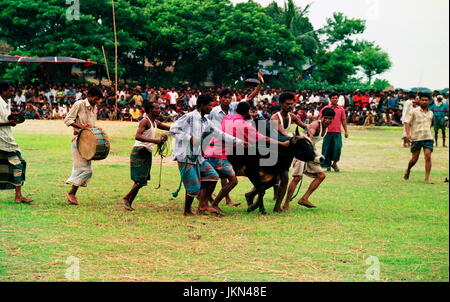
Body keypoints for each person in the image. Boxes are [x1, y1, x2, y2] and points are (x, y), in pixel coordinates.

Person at [204, 101, 289, 214]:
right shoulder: (245, 125)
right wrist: (282, 144)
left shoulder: (227, 118)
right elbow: (264, 138)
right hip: (221, 155)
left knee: (210, 179)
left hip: (210, 151)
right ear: (248, 111)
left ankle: (205, 203)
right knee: (233, 181)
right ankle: (214, 204)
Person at [170, 94, 245, 216]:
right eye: (209, 105)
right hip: (186, 156)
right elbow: (173, 130)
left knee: (213, 175)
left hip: (198, 156)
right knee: (193, 188)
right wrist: (189, 138)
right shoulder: (189, 117)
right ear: (201, 105)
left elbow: (219, 134)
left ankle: (203, 205)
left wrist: (239, 141)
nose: (211, 108)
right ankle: (187, 211)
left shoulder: (206, 121)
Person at [207, 73, 265, 207]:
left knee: (228, 171)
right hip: (218, 143)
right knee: (223, 172)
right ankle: (225, 199)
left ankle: (225, 199)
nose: (227, 100)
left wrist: (260, 84)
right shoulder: (213, 111)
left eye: (229, 97)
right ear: (219, 98)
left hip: (233, 142)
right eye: (224, 97)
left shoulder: (234, 107)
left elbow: (250, 98)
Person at [283, 108, 335, 211]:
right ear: (321, 117)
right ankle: (285, 204)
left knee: (321, 176)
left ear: (333, 119)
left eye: (330, 119)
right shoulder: (316, 124)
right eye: (325, 118)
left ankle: (304, 198)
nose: (327, 120)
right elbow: (310, 133)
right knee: (297, 178)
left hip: (310, 151)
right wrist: (310, 138)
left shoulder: (326, 128)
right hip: (302, 150)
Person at [122, 102, 171, 211]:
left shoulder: (155, 122)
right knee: (141, 180)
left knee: (141, 180)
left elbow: (169, 128)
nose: (159, 110)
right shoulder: (145, 121)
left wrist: (181, 129)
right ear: (149, 110)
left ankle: (128, 202)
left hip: (146, 152)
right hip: (140, 151)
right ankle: (126, 198)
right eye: (156, 108)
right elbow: (137, 136)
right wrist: (156, 141)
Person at [64, 86, 103, 205]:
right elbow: (67, 120)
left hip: (88, 141)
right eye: (95, 99)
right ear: (90, 96)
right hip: (78, 140)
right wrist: (83, 127)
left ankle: (72, 194)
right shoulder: (79, 104)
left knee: (84, 168)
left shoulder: (94, 108)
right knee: (86, 170)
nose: (96, 102)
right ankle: (71, 193)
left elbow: (91, 125)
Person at [0, 81, 32, 203]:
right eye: (10, 90)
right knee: (19, 164)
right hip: (3, 140)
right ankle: (18, 196)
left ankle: (18, 195)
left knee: (18, 165)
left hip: (6, 138)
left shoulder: (6, 102)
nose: (12, 93)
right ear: (3, 90)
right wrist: (9, 123)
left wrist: (12, 119)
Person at [403, 93, 434, 184]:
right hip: (416, 138)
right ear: (419, 101)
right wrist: (408, 134)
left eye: (426, 100)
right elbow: (407, 122)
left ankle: (427, 178)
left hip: (428, 137)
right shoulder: (413, 111)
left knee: (428, 156)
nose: (424, 101)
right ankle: (408, 169)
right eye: (423, 100)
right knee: (414, 159)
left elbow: (430, 124)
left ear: (429, 102)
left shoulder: (431, 113)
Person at [320, 92, 349, 172]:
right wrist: (320, 130)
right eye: (333, 98)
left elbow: (343, 120)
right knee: (327, 149)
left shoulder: (341, 109)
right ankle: (327, 165)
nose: (335, 99)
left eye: (336, 98)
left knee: (337, 148)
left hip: (337, 132)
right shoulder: (325, 108)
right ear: (330, 99)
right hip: (327, 132)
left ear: (338, 99)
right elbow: (320, 119)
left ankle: (334, 163)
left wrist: (346, 131)